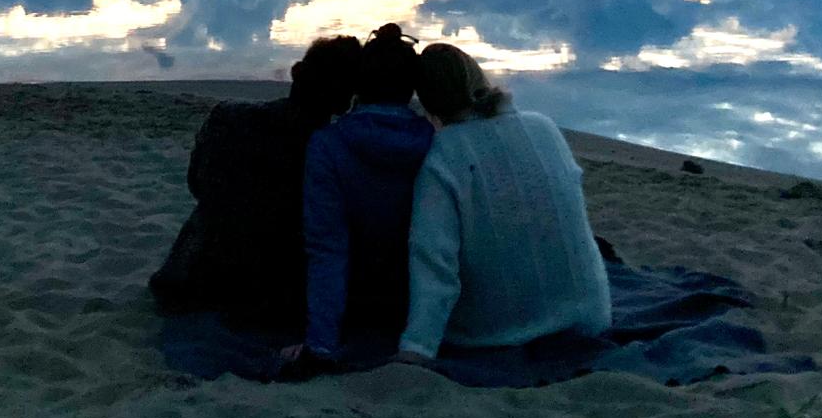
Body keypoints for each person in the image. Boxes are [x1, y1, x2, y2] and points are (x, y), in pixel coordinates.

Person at [397, 43, 610, 360]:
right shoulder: (544, 128)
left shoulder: (443, 155)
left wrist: (418, 347)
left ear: (428, 100)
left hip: (499, 332)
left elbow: (434, 263)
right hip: (590, 316)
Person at [148, 34, 362, 325]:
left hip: (193, 274)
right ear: (344, 100)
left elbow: (196, 185)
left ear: (297, 73)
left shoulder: (228, 119)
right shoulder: (330, 150)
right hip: (266, 295)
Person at [288, 24, 435, 369]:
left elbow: (327, 247)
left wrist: (321, 344)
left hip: (358, 302)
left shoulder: (328, 145)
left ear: (359, 84)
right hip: (415, 302)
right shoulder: (435, 142)